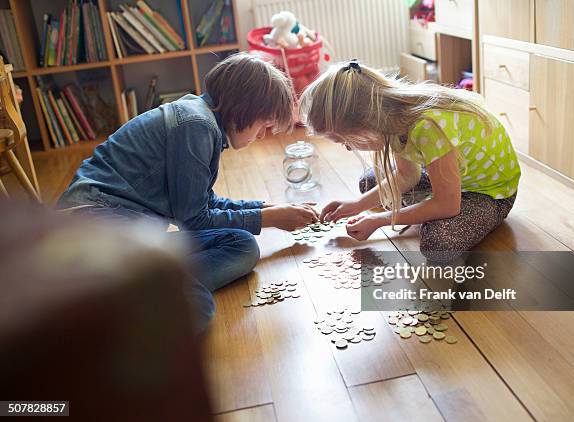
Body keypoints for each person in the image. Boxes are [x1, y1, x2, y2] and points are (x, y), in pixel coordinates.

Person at [57, 53, 319, 332]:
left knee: (241, 245)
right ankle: (126, 297)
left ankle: (135, 289)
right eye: (264, 124)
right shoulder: (196, 125)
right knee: (199, 306)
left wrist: (266, 208)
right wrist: (271, 219)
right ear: (244, 108)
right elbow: (194, 219)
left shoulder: (201, 120)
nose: (264, 135)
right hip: (97, 226)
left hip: (114, 228)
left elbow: (203, 203)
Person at [300, 60, 521, 263]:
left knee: (438, 244)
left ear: (365, 122)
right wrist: (356, 206)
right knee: (367, 183)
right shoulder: (390, 117)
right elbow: (407, 175)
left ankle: (435, 209)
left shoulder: (428, 126)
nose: (347, 148)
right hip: (454, 177)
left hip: (491, 193)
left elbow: (447, 205)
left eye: (343, 140)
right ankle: (426, 207)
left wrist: (381, 220)